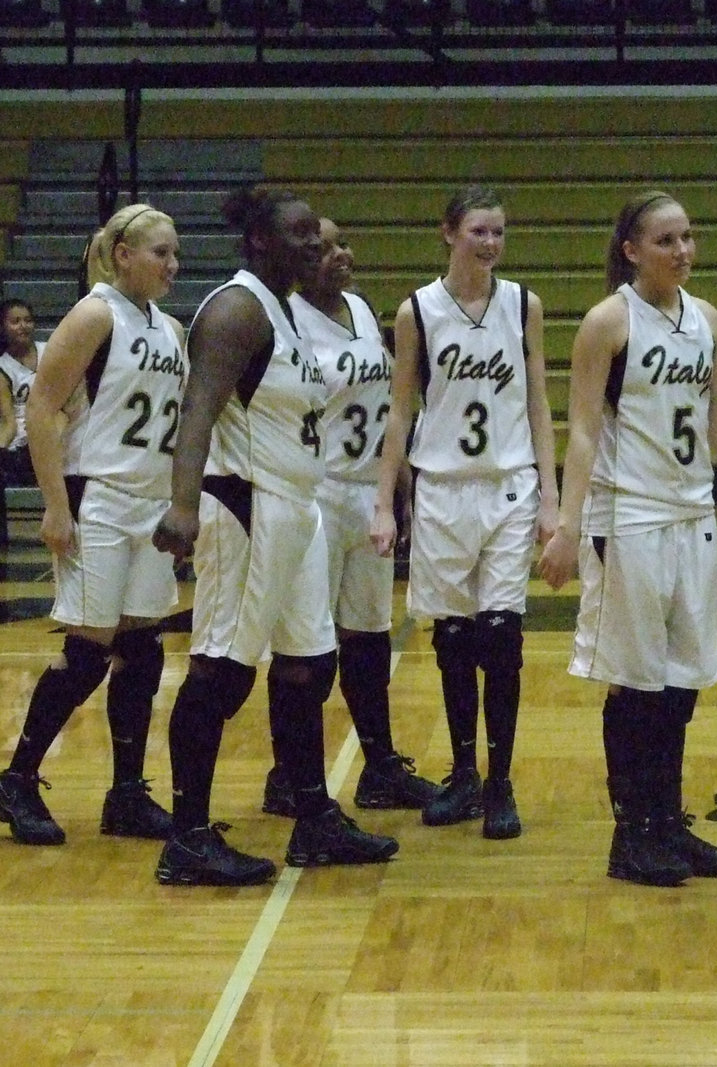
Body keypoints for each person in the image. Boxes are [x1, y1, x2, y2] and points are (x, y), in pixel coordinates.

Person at [538, 190, 717, 887]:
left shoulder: (705, 319)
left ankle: (668, 822)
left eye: (688, 237)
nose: (682, 250)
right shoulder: (607, 323)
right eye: (666, 240)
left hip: (692, 515)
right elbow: (583, 430)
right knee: (637, 683)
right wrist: (567, 527)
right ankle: (633, 834)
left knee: (682, 683)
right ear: (632, 251)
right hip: (629, 518)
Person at [151, 187, 398, 886]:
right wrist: (181, 506)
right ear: (260, 240)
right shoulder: (236, 309)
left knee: (309, 663)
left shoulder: (285, 309)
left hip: (298, 507)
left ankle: (313, 816)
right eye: (299, 235)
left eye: (316, 236)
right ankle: (188, 835)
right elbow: (198, 408)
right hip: (246, 506)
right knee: (221, 671)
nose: (314, 245)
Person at [370, 184, 559, 841]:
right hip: (442, 488)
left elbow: (538, 402)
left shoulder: (523, 305)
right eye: (479, 230)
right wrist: (384, 498)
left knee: (502, 636)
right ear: (449, 232)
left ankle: (502, 781)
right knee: (452, 639)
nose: (490, 243)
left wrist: (552, 497)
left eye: (498, 232)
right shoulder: (417, 311)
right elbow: (400, 410)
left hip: (508, 484)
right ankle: (465, 774)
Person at [0, 206, 186, 846]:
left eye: (176, 254)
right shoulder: (95, 312)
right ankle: (18, 778)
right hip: (98, 496)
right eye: (160, 252)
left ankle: (127, 794)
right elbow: (42, 408)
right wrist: (54, 504)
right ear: (124, 253)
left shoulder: (169, 327)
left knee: (142, 645)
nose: (172, 265)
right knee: (87, 650)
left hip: (151, 500)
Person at [260, 217, 438, 817]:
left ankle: (381, 765)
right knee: (306, 646)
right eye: (325, 246)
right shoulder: (282, 318)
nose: (339, 254)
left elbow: (387, 403)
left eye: (342, 243)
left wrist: (400, 474)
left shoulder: (362, 310)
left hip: (366, 491)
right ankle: (288, 775)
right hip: (315, 491)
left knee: (367, 638)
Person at [0, 297, 44, 487]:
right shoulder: (3, 367)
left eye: (27, 320)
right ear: (3, 327)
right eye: (15, 321)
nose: (23, 326)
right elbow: (9, 421)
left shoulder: (51, 352)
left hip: (49, 431)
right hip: (21, 442)